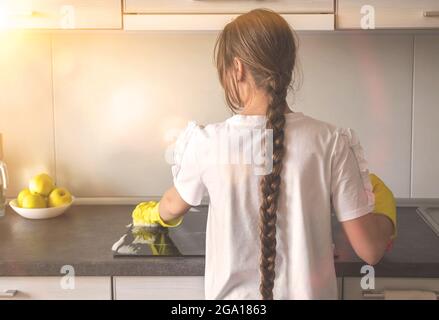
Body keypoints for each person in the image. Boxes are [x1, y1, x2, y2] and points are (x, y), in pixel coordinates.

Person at [132, 9, 396, 300]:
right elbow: (370, 249)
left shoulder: (206, 143)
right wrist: (385, 207)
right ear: (288, 67)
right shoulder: (331, 141)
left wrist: (154, 214)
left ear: (238, 68)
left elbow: (173, 204)